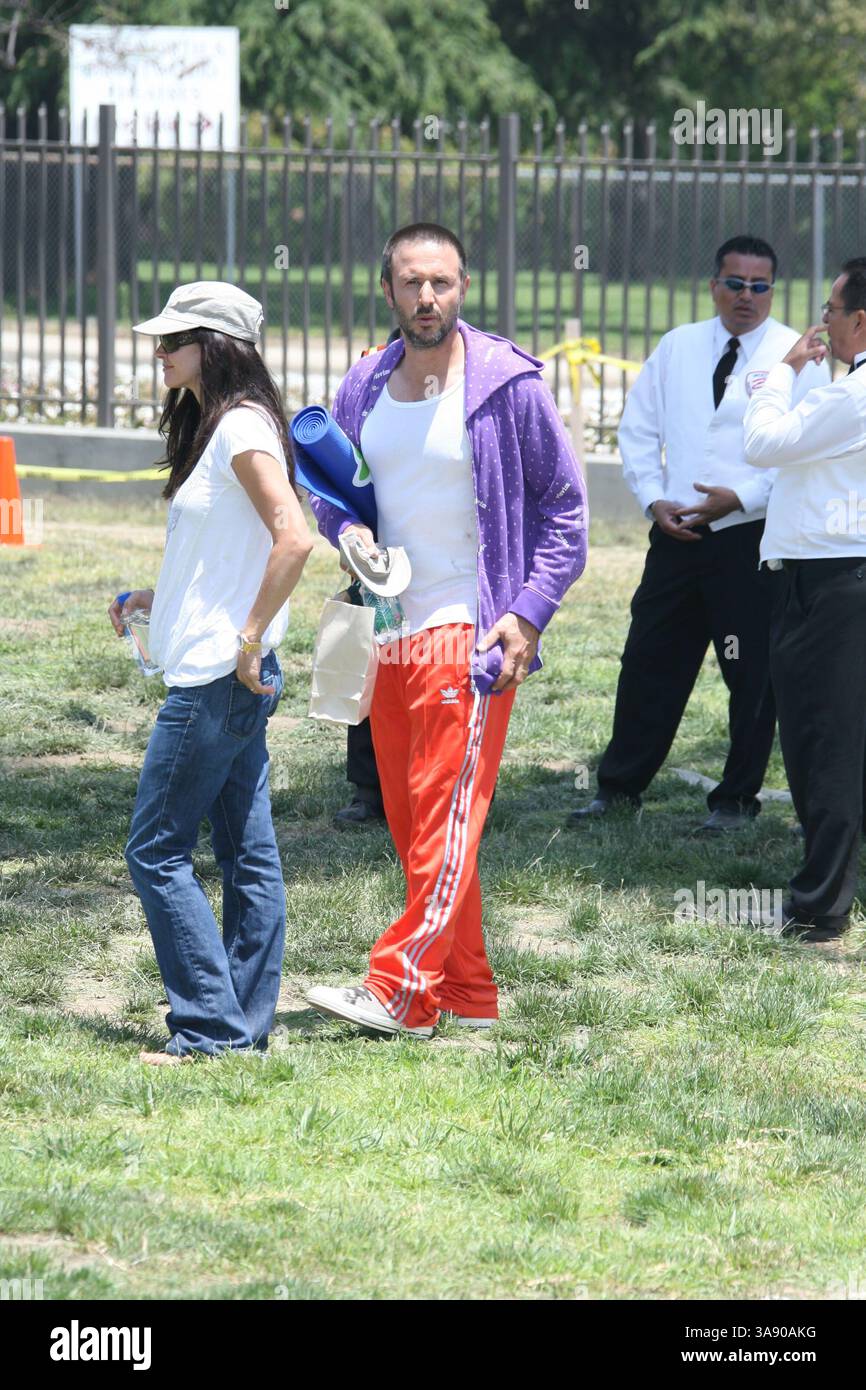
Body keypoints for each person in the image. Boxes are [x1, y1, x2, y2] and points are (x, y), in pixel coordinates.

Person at [303, 222, 587, 1038]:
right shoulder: (365, 382)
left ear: (463, 288)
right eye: (413, 283)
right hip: (389, 627)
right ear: (387, 290)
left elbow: (567, 511)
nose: (428, 298)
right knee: (416, 821)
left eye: (443, 283)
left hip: (472, 634)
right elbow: (330, 486)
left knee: (445, 811)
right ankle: (464, 995)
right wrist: (344, 532)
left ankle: (396, 987)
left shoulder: (505, 384)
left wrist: (527, 615)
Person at [110, 281, 313, 1063]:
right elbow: (235, 552)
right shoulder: (224, 426)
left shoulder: (240, 429)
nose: (158, 352)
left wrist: (250, 636)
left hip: (217, 683)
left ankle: (207, 1029)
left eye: (172, 340)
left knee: (154, 850)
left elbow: (293, 538)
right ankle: (241, 1027)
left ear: (216, 345)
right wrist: (158, 599)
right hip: (224, 675)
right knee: (245, 855)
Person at [568, 234, 830, 834]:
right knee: (648, 660)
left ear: (773, 290)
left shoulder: (798, 356)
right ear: (714, 285)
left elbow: (803, 451)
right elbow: (637, 431)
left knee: (751, 676)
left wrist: (741, 498)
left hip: (750, 540)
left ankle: (735, 800)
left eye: (759, 285)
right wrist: (652, 499)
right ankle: (618, 787)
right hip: (676, 534)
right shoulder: (678, 346)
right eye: (734, 283)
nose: (746, 296)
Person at [743, 258, 866, 941]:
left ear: (861, 320)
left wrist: (777, 373)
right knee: (840, 741)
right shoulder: (847, 392)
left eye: (832, 308)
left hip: (828, 583)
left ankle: (820, 904)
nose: (824, 321)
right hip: (837, 576)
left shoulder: (851, 397)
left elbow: (764, 443)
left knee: (824, 745)